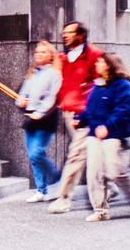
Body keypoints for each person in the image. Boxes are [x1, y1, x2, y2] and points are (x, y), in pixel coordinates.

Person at [76, 52, 130, 222]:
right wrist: (80, 119)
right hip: (95, 134)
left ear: (110, 65)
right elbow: (90, 109)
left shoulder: (124, 86)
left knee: (115, 171)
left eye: (100, 62)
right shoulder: (98, 84)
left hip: (113, 135)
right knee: (94, 172)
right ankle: (100, 210)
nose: (96, 65)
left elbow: (125, 111)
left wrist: (107, 126)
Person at [48, 20, 104, 213]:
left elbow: (102, 83)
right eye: (64, 32)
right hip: (68, 112)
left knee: (76, 155)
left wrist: (88, 109)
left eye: (69, 33)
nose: (64, 35)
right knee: (88, 152)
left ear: (81, 35)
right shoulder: (63, 58)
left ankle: (64, 198)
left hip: (86, 114)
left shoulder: (94, 55)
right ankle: (110, 187)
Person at [15, 40, 62, 202]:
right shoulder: (32, 73)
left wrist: (40, 112)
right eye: (37, 52)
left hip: (45, 118)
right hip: (30, 117)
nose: (39, 55)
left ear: (51, 55)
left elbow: (53, 98)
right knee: (33, 155)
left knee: (36, 153)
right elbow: (22, 94)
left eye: (43, 52)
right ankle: (41, 190)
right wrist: (21, 101)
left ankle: (56, 175)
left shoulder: (54, 73)